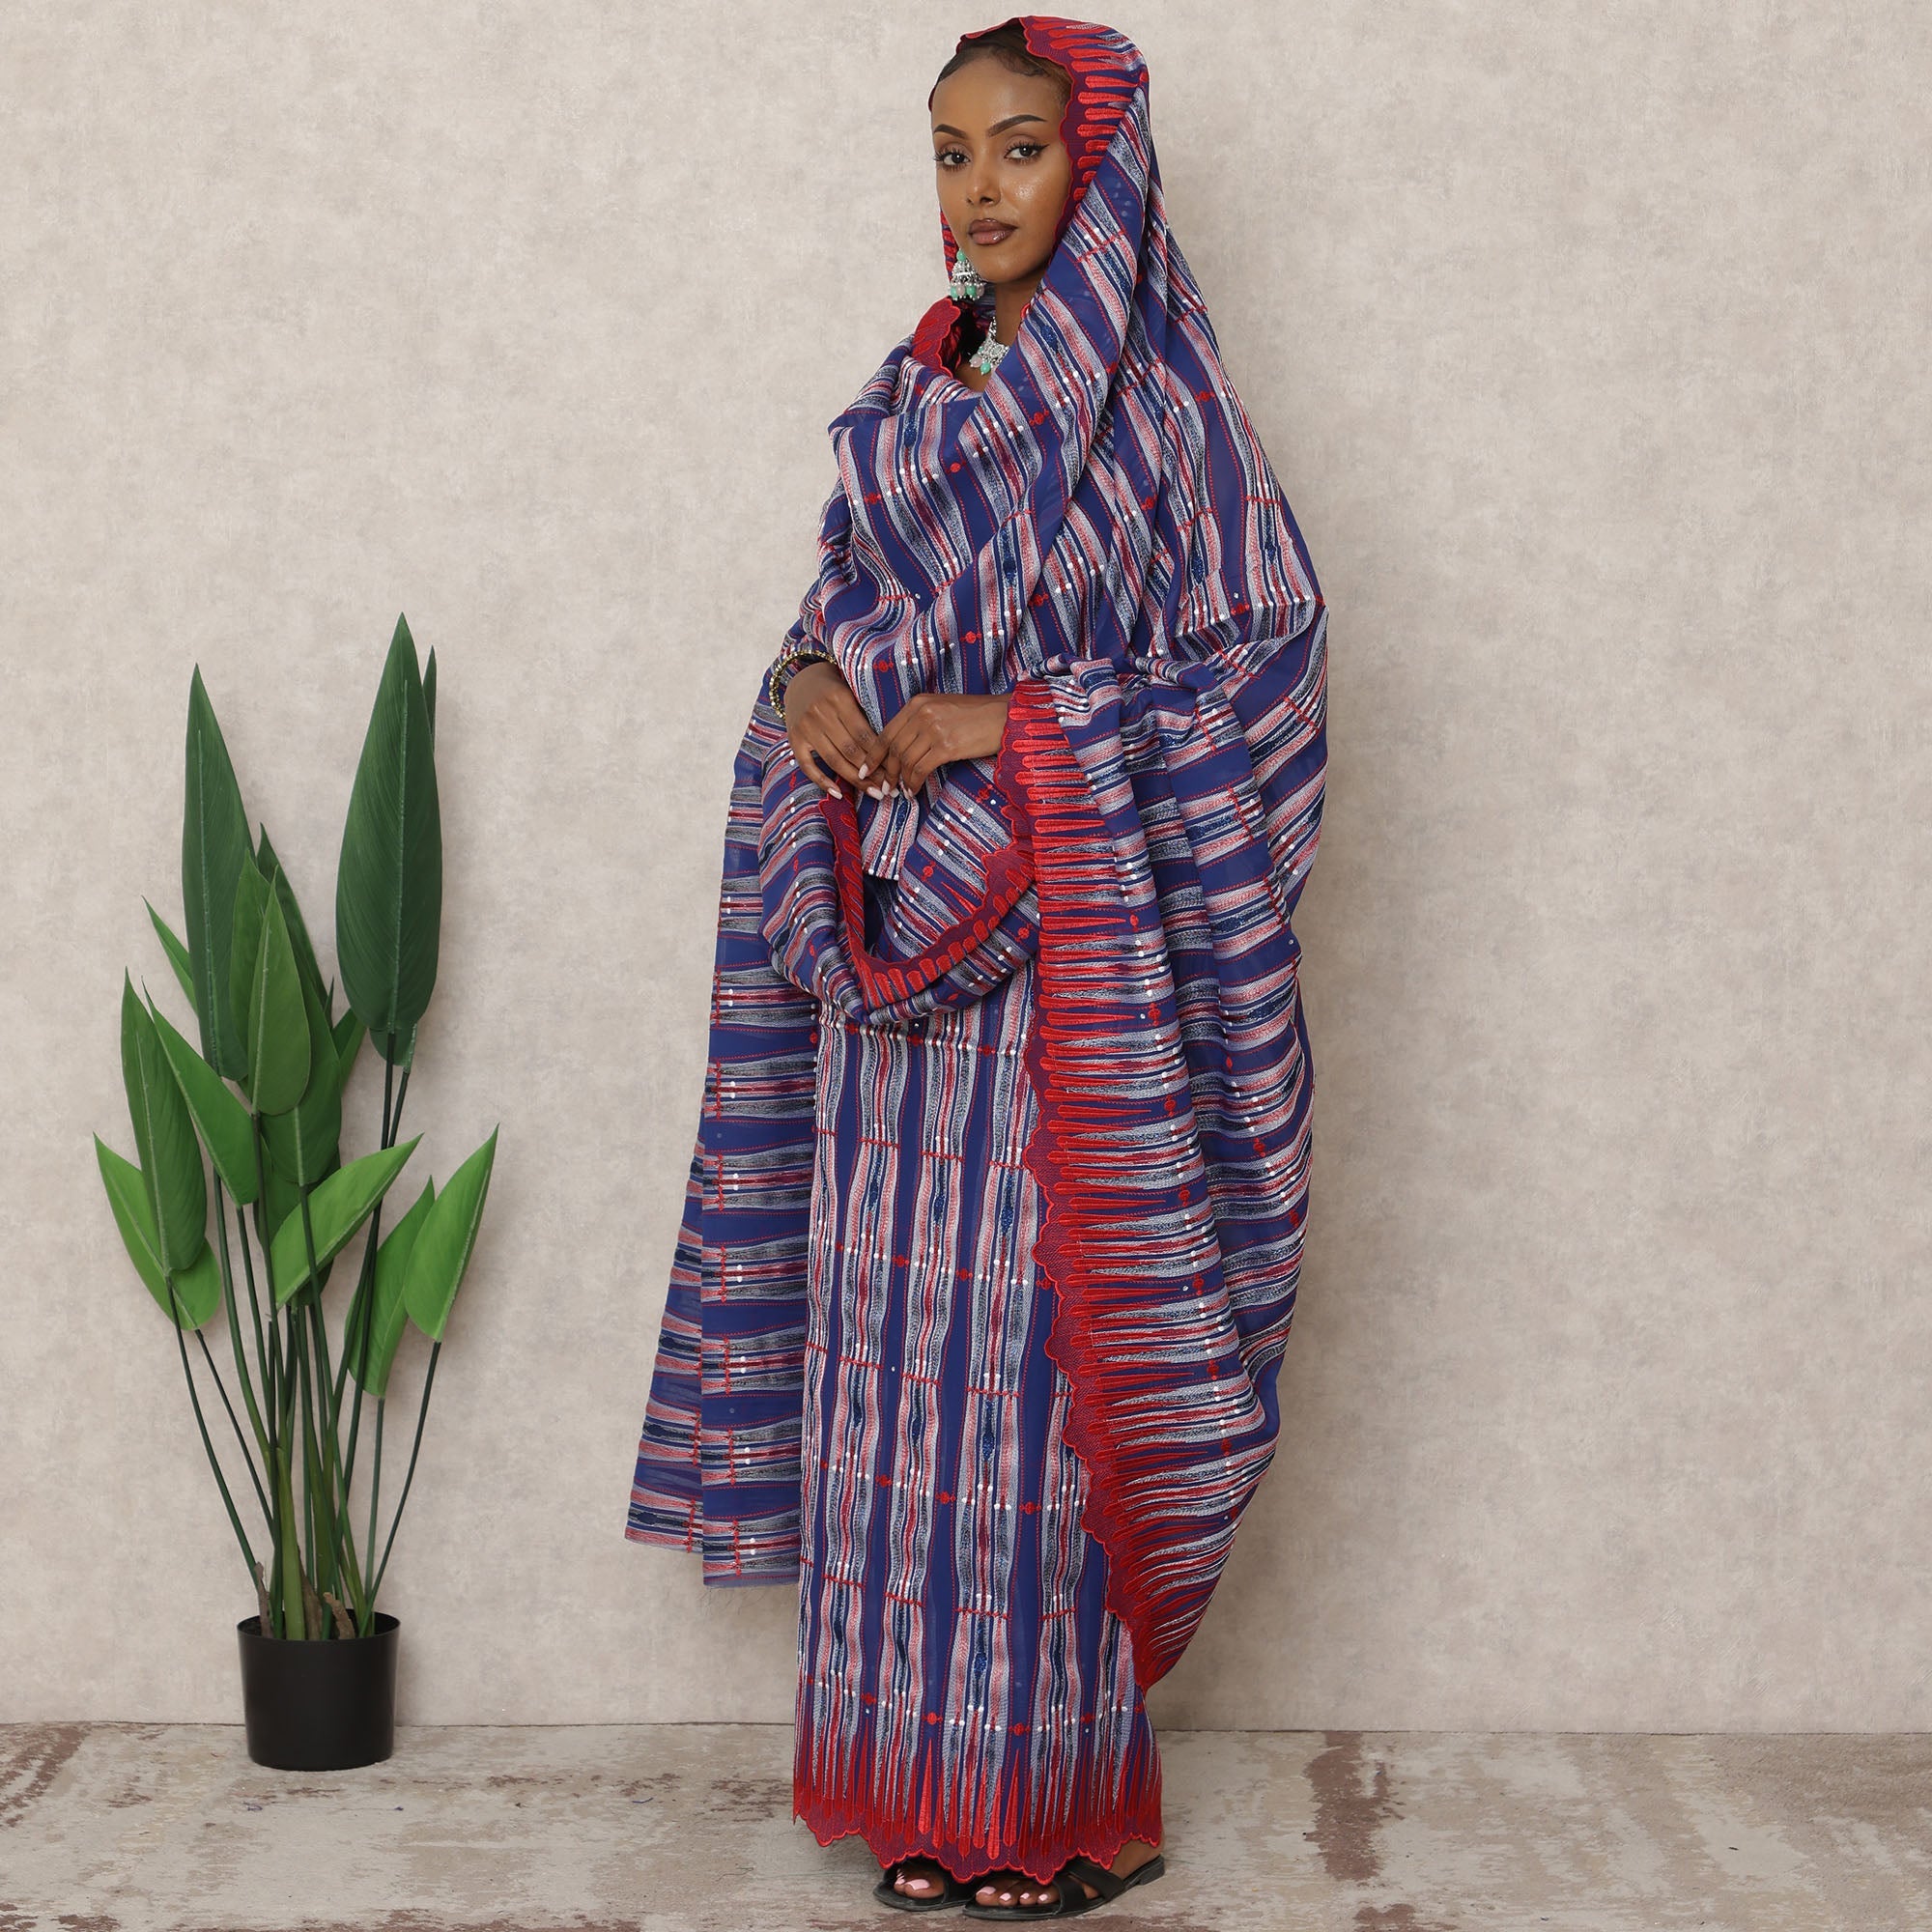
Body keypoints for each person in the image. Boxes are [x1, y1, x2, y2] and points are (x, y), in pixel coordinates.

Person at [626, 14, 1327, 1918]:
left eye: (1019, 148)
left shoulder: (1164, 425)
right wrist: (811, 689)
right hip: (885, 989)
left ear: (1099, 172)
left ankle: (1067, 1811)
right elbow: (832, 622)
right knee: (897, 1399)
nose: (979, 189)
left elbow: (1266, 677)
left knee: (1029, 1404)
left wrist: (1012, 729)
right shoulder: (909, 400)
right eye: (950, 152)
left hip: (1060, 995)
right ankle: (922, 1798)